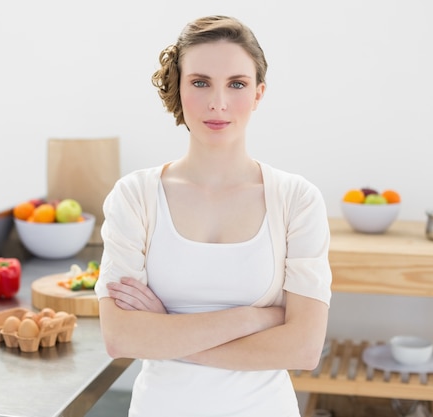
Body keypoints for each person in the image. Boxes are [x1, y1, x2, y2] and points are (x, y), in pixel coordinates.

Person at [94, 15, 332, 417]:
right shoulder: (135, 196)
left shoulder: (297, 199)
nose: (217, 102)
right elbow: (120, 337)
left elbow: (303, 348)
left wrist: (165, 329)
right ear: (179, 87)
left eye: (236, 84)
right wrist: (256, 319)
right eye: (200, 82)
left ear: (258, 94)